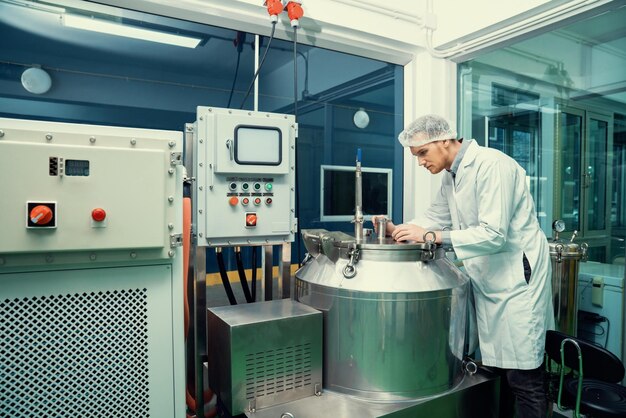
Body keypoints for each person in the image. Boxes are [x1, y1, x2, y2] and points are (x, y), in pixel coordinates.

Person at [374, 114, 554, 418]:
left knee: (524, 377)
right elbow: (434, 218)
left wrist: (429, 236)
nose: (419, 162)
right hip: (490, 280)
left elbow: (494, 234)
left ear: (445, 140)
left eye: (421, 153)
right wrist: (396, 229)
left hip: (516, 282)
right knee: (498, 369)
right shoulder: (452, 175)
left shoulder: (492, 165)